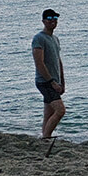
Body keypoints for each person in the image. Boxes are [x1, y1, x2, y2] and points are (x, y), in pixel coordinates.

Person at [33, 9, 65, 139]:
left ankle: (44, 136)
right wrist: (51, 82)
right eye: (49, 18)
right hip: (44, 81)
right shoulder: (39, 38)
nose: (53, 20)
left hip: (55, 81)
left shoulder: (55, 39)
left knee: (48, 112)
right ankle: (46, 136)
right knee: (60, 110)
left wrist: (62, 81)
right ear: (43, 21)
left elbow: (58, 60)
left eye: (55, 18)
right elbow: (39, 63)